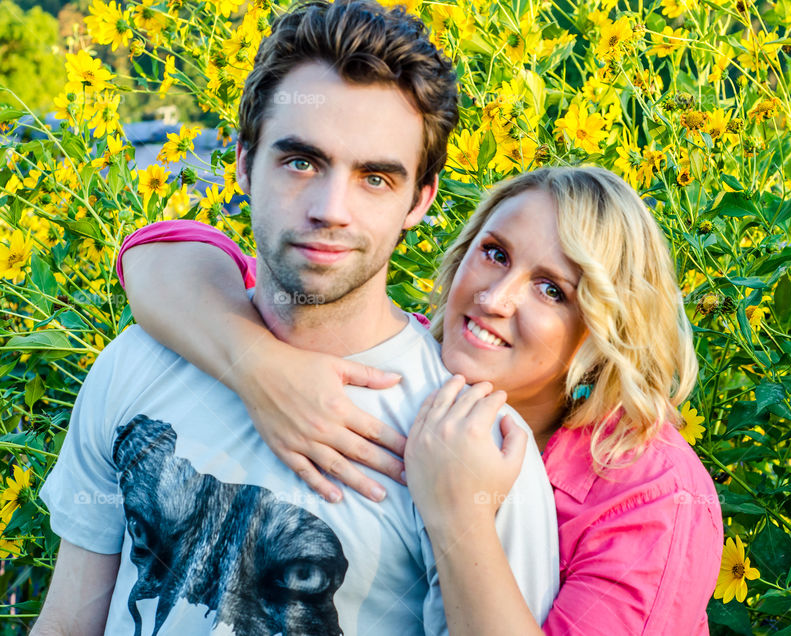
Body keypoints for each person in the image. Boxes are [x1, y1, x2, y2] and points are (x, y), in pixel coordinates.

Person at [31, 2, 560, 634]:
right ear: (244, 162)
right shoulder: (135, 362)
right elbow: (66, 623)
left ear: (421, 200)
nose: (331, 209)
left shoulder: (477, 447)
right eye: (301, 161)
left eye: (375, 178)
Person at [115, 166, 725, 633]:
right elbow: (165, 255)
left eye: (551, 289)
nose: (496, 298)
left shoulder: (654, 499)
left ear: (603, 328)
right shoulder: (396, 367)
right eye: (495, 254)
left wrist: (459, 514)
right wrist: (263, 370)